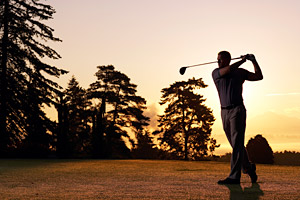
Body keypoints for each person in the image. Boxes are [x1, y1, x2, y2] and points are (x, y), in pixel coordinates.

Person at [212, 51, 263, 184]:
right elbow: (228, 70)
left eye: (221, 60)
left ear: (228, 59)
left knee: (237, 144)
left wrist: (253, 61)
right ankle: (248, 168)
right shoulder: (216, 72)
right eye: (217, 60)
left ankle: (234, 177)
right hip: (224, 112)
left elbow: (259, 76)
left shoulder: (240, 72)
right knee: (236, 144)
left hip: (237, 110)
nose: (218, 62)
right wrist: (243, 60)